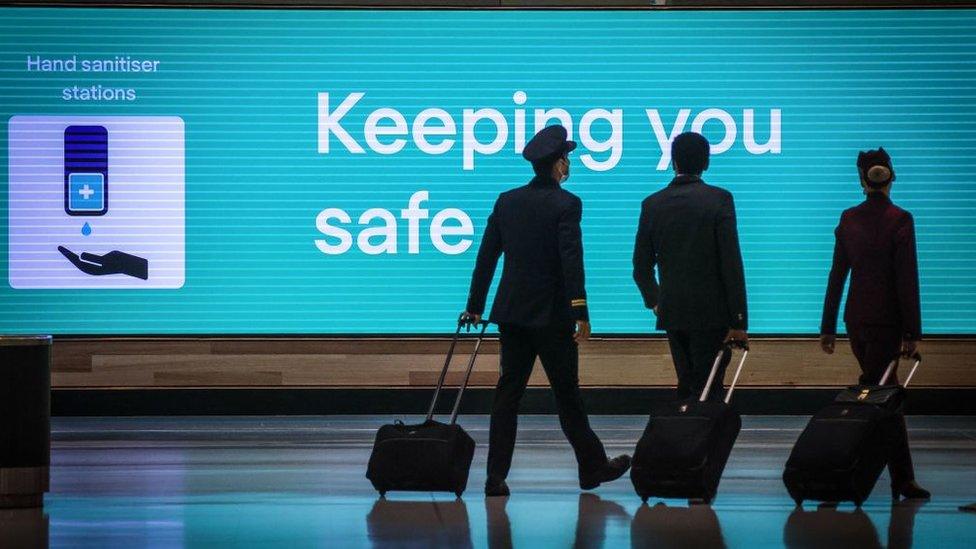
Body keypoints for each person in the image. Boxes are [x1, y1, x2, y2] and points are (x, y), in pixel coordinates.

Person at [462, 125, 631, 497]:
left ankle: (495, 477)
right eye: (566, 158)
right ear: (557, 165)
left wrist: (475, 305)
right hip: (553, 317)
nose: (568, 164)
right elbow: (572, 261)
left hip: (512, 314)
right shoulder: (567, 204)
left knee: (507, 395)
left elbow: (487, 257)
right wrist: (580, 310)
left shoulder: (506, 201)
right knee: (567, 396)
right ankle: (592, 468)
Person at [819, 147, 930, 500]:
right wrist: (913, 332)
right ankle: (891, 477)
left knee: (874, 389)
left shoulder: (849, 218)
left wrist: (827, 326)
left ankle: (854, 470)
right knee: (885, 397)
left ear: (861, 180)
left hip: (856, 320)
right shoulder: (901, 220)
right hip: (888, 323)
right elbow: (905, 280)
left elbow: (837, 276)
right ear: (892, 177)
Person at [632, 132, 748, 402]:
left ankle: (681, 438)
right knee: (710, 389)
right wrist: (739, 319)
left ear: (673, 162)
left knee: (686, 383)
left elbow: (641, 266)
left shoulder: (652, 204)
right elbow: (730, 263)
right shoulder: (720, 199)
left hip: (673, 311)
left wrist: (656, 301)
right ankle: (705, 441)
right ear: (706, 162)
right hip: (713, 313)